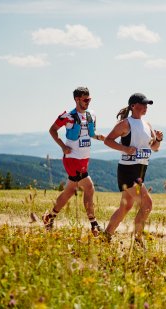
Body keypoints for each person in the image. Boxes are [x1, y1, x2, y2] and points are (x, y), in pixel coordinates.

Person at [43, 86, 105, 236]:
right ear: (77, 99)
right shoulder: (67, 116)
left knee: (70, 190)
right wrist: (63, 146)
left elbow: (90, 133)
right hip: (72, 159)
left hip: (84, 158)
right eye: (85, 99)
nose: (88, 102)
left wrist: (98, 137)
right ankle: (94, 224)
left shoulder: (92, 114)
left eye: (89, 99)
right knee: (89, 187)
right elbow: (52, 130)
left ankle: (49, 217)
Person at [103, 92, 163, 245]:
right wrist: (124, 148)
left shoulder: (147, 124)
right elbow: (108, 141)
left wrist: (159, 139)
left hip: (141, 169)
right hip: (128, 170)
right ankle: (137, 240)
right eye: (142, 104)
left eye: (147, 104)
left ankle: (106, 237)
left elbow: (155, 148)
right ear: (133, 106)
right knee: (147, 204)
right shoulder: (125, 124)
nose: (145, 107)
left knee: (126, 206)